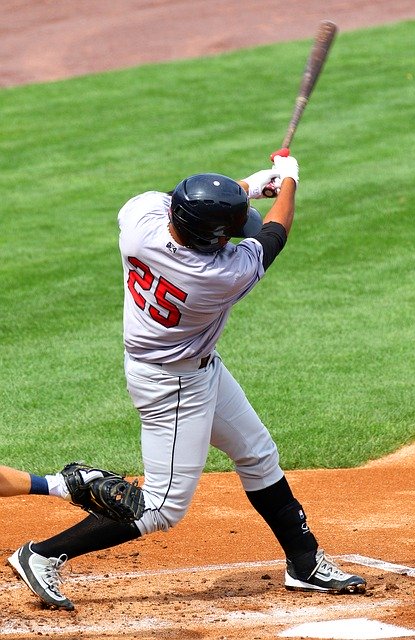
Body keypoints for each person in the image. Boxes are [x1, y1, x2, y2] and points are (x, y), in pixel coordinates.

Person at [7, 154, 366, 611]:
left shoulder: (139, 222)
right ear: (211, 238)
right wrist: (290, 179)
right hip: (173, 386)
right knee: (161, 508)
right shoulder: (218, 275)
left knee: (257, 454)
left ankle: (305, 562)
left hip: (191, 367)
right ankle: (41, 555)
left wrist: (249, 186)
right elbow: (275, 235)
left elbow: (184, 204)